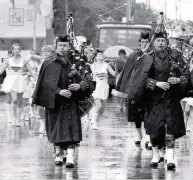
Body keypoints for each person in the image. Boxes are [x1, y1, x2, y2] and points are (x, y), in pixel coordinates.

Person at [128, 31, 189, 170]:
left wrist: (178, 80)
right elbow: (140, 79)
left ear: (166, 42)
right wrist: (156, 83)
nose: (161, 43)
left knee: (170, 128)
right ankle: (155, 155)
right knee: (155, 129)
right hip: (153, 100)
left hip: (171, 99)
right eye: (158, 41)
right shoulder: (147, 58)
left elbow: (187, 74)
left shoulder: (175, 56)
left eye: (163, 40)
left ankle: (170, 158)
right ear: (153, 43)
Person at [32, 35, 94, 168]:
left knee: (71, 129)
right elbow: (44, 83)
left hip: (71, 101)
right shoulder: (48, 63)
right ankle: (58, 154)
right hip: (54, 101)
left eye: (65, 45)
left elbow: (89, 79)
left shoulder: (78, 62)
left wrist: (80, 86)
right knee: (55, 128)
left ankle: (70, 157)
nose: (62, 48)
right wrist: (58, 91)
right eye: (60, 45)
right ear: (56, 46)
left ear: (69, 46)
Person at [115, 31, 152, 147]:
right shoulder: (134, 55)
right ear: (139, 43)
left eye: (147, 42)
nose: (145, 44)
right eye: (143, 42)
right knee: (136, 114)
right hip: (136, 89)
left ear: (149, 43)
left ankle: (148, 137)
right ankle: (139, 134)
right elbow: (127, 72)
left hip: (149, 89)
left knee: (148, 114)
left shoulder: (153, 55)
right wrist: (124, 88)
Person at [0, 43, 34, 126]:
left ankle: (18, 119)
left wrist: (37, 77)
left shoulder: (24, 60)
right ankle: (13, 118)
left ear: (20, 50)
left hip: (20, 81)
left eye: (18, 49)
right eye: (15, 49)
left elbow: (31, 71)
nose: (16, 50)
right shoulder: (8, 60)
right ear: (13, 50)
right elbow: (1, 70)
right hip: (11, 81)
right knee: (14, 99)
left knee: (20, 101)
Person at [90, 49, 117, 130]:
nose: (101, 55)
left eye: (102, 54)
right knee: (98, 105)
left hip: (105, 87)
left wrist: (115, 66)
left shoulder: (107, 65)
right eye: (99, 54)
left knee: (101, 110)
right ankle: (94, 122)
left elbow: (114, 74)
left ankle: (93, 115)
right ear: (96, 56)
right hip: (96, 87)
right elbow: (91, 78)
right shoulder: (92, 66)